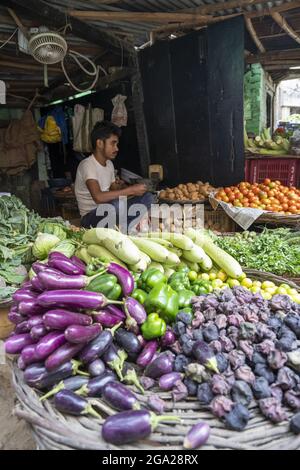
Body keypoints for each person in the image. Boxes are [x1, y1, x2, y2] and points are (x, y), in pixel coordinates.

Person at [75, 120, 154, 229]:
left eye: (117, 144)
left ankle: (126, 226)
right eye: (113, 143)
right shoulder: (87, 165)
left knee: (148, 197)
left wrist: (125, 186)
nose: (116, 148)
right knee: (117, 205)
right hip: (90, 217)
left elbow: (113, 188)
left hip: (110, 211)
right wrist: (130, 190)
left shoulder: (109, 164)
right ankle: (127, 226)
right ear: (100, 143)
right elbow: (98, 197)